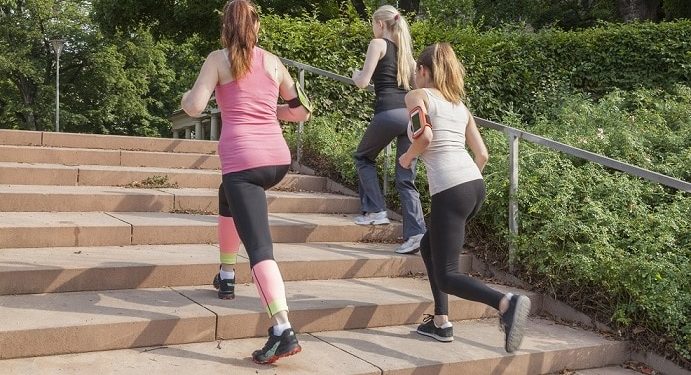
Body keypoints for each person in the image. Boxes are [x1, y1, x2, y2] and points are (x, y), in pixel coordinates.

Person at [181, 0, 310, 364]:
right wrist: (274, 112)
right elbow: (302, 112)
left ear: (226, 27)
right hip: (277, 160)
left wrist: (185, 96)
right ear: (256, 28)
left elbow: (194, 107)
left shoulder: (217, 60)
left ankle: (282, 329)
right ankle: (225, 275)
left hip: (244, 164)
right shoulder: (273, 62)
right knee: (227, 198)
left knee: (259, 248)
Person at [398, 43, 531, 353]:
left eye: (416, 72)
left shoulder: (417, 97)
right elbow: (482, 154)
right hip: (474, 185)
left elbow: (425, 136)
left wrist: (407, 158)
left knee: (448, 276)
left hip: (452, 189)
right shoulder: (460, 106)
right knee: (428, 245)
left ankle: (506, 303)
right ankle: (440, 322)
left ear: (423, 71)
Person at [351, 5, 426, 254]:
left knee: (363, 157)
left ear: (380, 24)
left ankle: (376, 210)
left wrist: (355, 74)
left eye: (373, 24)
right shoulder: (409, 56)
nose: (373, 29)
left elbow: (363, 82)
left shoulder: (378, 44)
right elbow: (417, 91)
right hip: (409, 119)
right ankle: (416, 235)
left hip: (387, 113)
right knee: (405, 177)